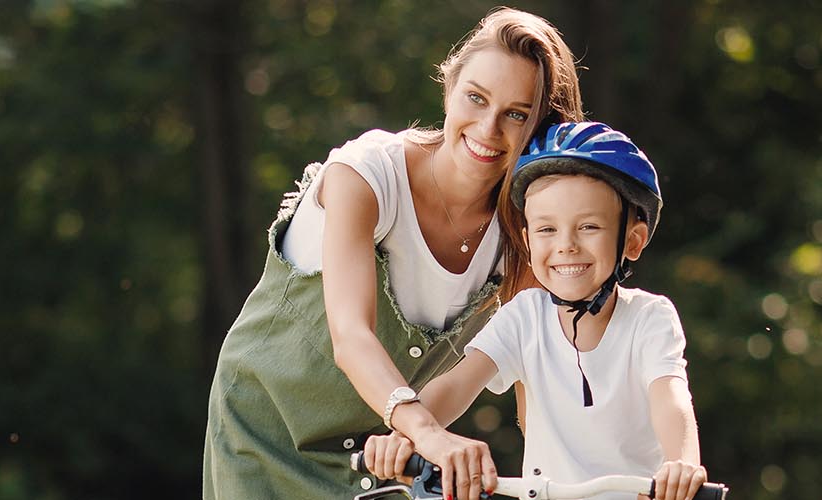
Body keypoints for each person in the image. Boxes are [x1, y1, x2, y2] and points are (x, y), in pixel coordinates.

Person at [202, 7, 586, 499]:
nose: (489, 129)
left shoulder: (523, 234)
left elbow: (535, 364)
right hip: (262, 439)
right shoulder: (365, 176)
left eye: (516, 114)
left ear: (541, 129)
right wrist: (428, 434)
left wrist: (560, 476)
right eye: (476, 98)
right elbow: (351, 335)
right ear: (448, 90)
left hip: (381, 460)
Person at [359, 122, 709, 500]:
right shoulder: (526, 316)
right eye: (546, 230)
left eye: (588, 227)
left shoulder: (649, 318)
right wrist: (407, 434)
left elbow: (670, 400)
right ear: (526, 239)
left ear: (633, 241)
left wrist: (683, 463)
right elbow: (457, 383)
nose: (566, 246)